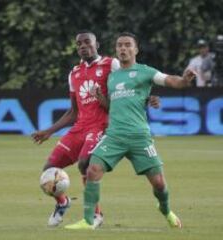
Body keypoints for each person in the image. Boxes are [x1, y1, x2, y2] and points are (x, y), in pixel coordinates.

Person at [65, 32, 195, 230]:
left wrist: (184, 80)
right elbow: (112, 105)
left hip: (139, 137)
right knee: (92, 170)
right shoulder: (112, 77)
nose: (123, 48)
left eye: (127, 45)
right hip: (115, 136)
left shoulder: (146, 72)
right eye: (119, 45)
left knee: (159, 184)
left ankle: (166, 210)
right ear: (116, 50)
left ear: (136, 49)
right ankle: (89, 219)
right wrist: (101, 98)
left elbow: (171, 81)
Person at [32, 30, 160, 227]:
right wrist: (49, 130)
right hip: (80, 127)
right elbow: (74, 111)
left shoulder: (111, 64)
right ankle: (62, 202)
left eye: (87, 42)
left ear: (97, 44)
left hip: (101, 126)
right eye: (79, 44)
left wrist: (145, 98)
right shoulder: (74, 73)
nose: (83, 46)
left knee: (85, 163)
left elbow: (128, 92)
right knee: (49, 171)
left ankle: (96, 215)